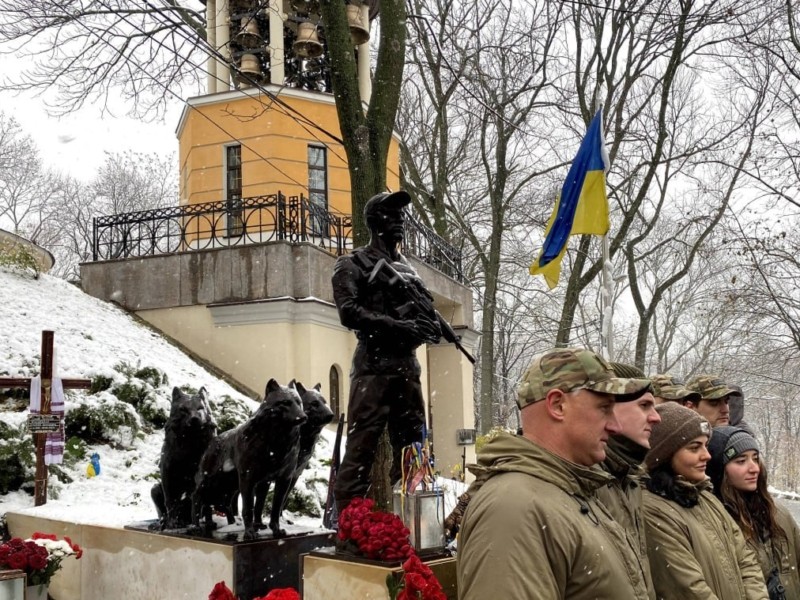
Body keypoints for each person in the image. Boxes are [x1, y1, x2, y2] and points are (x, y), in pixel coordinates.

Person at [457, 348, 652, 599]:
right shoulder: (515, 507)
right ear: (558, 405)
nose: (615, 426)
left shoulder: (572, 490)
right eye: (604, 408)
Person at [331, 190, 442, 513]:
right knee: (361, 448)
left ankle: (414, 523)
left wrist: (425, 328)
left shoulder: (409, 270)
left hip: (407, 368)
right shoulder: (352, 264)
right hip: (373, 368)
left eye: (401, 215)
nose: (399, 221)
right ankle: (351, 527)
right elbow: (349, 312)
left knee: (414, 450)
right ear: (374, 221)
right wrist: (397, 326)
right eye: (390, 215)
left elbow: (427, 320)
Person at [642, 403, 767, 599]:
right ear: (664, 454)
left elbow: (746, 561)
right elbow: (688, 588)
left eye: (706, 446)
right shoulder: (652, 510)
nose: (707, 455)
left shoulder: (706, 498)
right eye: (694, 448)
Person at [707, 426, 800, 599]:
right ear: (720, 469)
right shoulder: (716, 523)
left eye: (755, 459)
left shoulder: (779, 513)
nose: (754, 468)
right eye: (741, 461)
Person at [598, 362, 660, 599]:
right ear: (608, 407)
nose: (656, 418)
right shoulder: (587, 479)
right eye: (644, 405)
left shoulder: (629, 479)